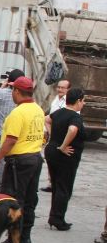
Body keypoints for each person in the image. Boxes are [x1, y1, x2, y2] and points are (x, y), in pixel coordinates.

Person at [0, 76, 44, 243]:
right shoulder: (37, 109)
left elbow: (11, 140)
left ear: (17, 91)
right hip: (35, 158)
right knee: (29, 199)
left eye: (13, 89)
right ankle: (25, 237)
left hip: (18, 162)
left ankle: (13, 240)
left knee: (13, 201)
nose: (11, 93)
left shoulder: (18, 113)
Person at [44, 88, 86, 231]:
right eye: (83, 101)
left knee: (56, 185)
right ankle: (57, 219)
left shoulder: (59, 112)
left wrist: (53, 136)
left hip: (51, 151)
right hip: (65, 156)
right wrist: (63, 146)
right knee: (64, 187)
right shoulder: (75, 117)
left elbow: (46, 119)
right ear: (78, 101)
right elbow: (73, 130)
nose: (83, 104)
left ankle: (54, 216)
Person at [0, 69, 25, 190]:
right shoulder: (23, 98)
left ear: (9, 81)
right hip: (17, 135)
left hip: (0, 133)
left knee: (0, 160)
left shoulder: (0, 93)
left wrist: (2, 86)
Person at [41, 79, 71, 192]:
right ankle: (51, 183)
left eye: (63, 88)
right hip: (54, 134)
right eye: (59, 87)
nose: (60, 89)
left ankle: (59, 184)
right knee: (51, 159)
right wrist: (49, 132)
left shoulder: (69, 102)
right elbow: (49, 117)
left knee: (61, 161)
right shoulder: (56, 99)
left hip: (63, 134)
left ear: (68, 89)